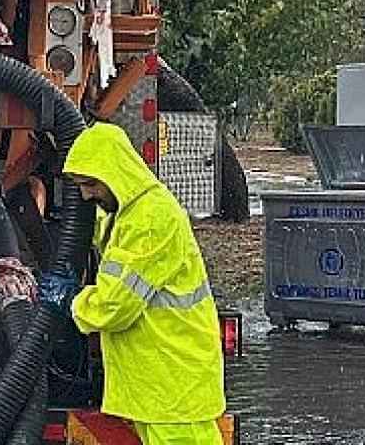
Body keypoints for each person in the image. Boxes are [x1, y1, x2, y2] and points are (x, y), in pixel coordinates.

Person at [38, 123, 226, 445]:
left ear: (115, 173)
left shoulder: (150, 219)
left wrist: (71, 301)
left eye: (91, 184)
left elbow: (115, 308)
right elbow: (99, 234)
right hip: (161, 385)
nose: (86, 195)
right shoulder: (127, 214)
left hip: (174, 384)